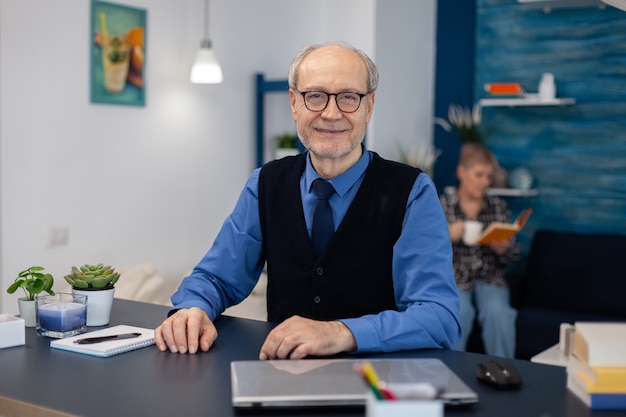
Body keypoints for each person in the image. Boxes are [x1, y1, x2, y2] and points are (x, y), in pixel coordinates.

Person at [155, 41, 461, 359]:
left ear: (369, 106)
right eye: (315, 96)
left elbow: (439, 317)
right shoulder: (266, 183)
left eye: (348, 97)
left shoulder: (413, 192)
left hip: (377, 384)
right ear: (294, 103)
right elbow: (217, 276)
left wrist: (341, 333)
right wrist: (193, 308)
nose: (331, 113)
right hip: (280, 375)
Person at [439, 143, 520, 358]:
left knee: (499, 312)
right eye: (479, 175)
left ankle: (505, 369)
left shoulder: (498, 207)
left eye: (489, 176)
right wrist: (446, 235)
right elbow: (423, 249)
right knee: (459, 312)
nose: (485, 182)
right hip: (455, 279)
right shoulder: (442, 205)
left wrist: (504, 248)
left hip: (490, 278)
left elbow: (515, 255)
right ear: (461, 172)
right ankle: (453, 371)